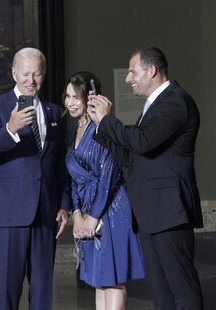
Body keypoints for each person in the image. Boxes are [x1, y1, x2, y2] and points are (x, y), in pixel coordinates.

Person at [88, 47, 203, 310]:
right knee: (161, 295)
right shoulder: (155, 105)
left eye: (132, 71)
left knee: (182, 291)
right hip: (152, 213)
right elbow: (132, 158)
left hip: (169, 211)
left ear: (151, 71)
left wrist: (108, 120)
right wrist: (100, 125)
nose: (128, 78)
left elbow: (141, 142)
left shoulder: (175, 102)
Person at [0, 47, 70, 310]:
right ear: (14, 73)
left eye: (37, 74)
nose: (31, 80)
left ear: (44, 75)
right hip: (8, 215)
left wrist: (64, 204)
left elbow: (59, 165)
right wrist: (11, 129)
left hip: (45, 214)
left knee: (42, 293)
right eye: (26, 73)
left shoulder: (53, 112)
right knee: (8, 290)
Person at [63, 71, 145, 310]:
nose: (70, 102)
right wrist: (77, 215)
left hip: (112, 207)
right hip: (88, 210)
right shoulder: (71, 133)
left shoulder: (103, 128)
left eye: (76, 97)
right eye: (67, 96)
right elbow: (74, 179)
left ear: (91, 98)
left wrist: (93, 217)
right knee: (98, 280)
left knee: (112, 279)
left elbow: (108, 176)